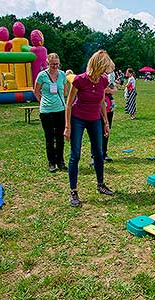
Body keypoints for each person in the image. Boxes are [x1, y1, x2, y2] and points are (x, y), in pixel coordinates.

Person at [64, 50, 115, 207]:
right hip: (78, 119)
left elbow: (100, 101)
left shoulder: (103, 81)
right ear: (98, 65)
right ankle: (73, 191)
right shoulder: (79, 80)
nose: (106, 71)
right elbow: (69, 104)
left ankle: (100, 184)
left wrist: (105, 121)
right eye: (105, 67)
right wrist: (68, 126)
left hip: (94, 120)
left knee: (99, 153)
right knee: (76, 155)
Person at [33, 53, 68, 172]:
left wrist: (60, 101)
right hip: (46, 111)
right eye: (53, 64)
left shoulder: (62, 74)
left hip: (60, 110)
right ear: (48, 63)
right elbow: (36, 92)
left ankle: (61, 161)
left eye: (57, 64)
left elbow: (64, 90)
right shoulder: (42, 75)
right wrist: (43, 102)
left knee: (60, 137)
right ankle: (51, 162)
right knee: (49, 138)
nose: (55, 66)